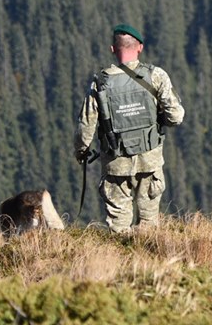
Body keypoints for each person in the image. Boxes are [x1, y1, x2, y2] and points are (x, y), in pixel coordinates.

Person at [75, 23, 185, 232]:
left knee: (118, 226)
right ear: (140, 47)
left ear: (113, 49)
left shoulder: (100, 82)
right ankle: (149, 264)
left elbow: (86, 125)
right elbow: (176, 117)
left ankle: (122, 263)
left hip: (116, 163)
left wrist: (81, 151)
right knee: (149, 226)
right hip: (149, 161)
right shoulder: (156, 76)